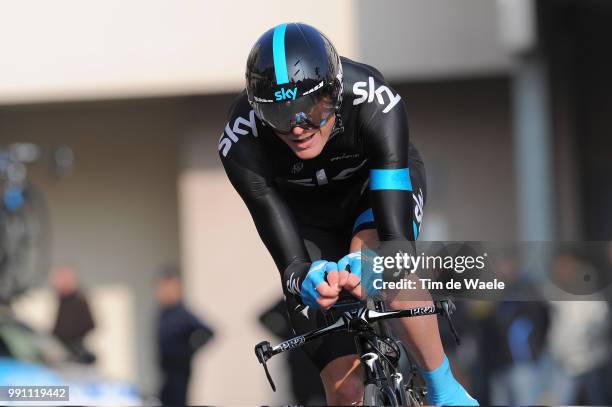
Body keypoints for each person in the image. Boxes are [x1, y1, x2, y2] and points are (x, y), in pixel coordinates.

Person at [218, 22, 478, 405]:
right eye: (279, 115)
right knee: (345, 391)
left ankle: (443, 386)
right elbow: (291, 264)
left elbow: (397, 245)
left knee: (383, 265)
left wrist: (374, 262)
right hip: (307, 218)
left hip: (369, 195)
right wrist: (301, 278)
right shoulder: (239, 143)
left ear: (335, 93)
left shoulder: (374, 99)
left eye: (312, 107)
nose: (298, 127)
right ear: (259, 113)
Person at [156, 265, 214, 407]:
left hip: (180, 372)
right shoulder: (164, 313)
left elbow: (208, 332)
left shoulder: (182, 314)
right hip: (166, 372)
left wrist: (189, 350)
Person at [50, 264, 96, 364]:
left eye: (59, 279)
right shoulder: (62, 301)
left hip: (74, 354)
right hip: (61, 351)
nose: (56, 283)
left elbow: (90, 324)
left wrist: (68, 338)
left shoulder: (78, 300)